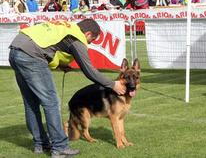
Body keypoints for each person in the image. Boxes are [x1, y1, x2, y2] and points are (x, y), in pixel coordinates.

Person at [8, 18, 126, 157]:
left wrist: (58, 65)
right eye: (92, 40)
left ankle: (40, 144)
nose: (89, 43)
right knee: (51, 102)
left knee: (31, 103)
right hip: (31, 56)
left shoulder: (66, 27)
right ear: (87, 34)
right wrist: (113, 84)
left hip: (15, 50)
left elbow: (47, 45)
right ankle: (59, 146)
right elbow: (89, 71)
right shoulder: (77, 38)